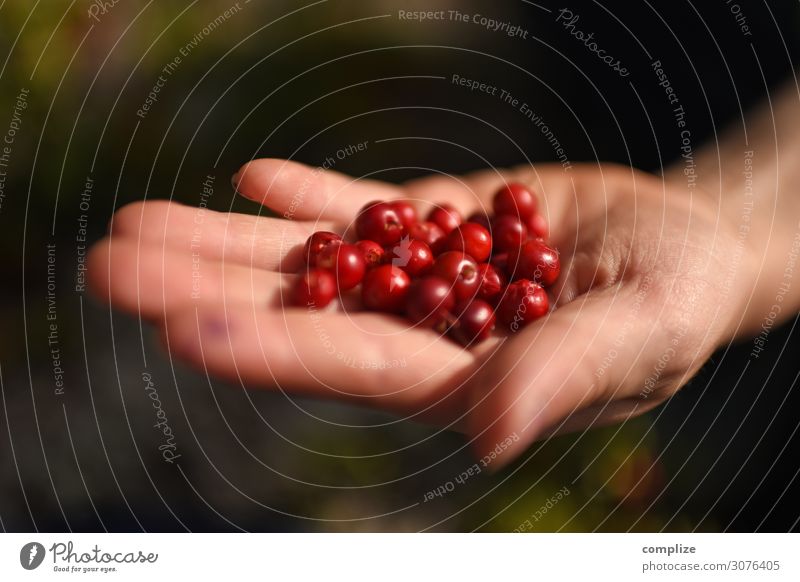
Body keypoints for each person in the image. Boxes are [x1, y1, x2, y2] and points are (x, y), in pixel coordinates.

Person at [86, 76, 800, 469]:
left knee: (723, 446)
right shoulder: (470, 257)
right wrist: (713, 206)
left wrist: (736, 247)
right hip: (652, 86)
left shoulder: (485, 264)